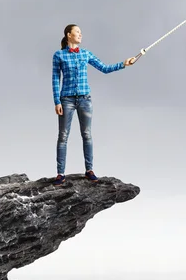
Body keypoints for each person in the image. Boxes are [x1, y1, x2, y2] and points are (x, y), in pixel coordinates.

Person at [52, 24, 135, 186]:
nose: (80, 35)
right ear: (69, 35)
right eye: (77, 32)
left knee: (87, 134)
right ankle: (60, 173)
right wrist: (57, 101)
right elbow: (56, 79)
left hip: (85, 99)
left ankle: (89, 170)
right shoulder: (59, 55)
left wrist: (123, 64)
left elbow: (104, 68)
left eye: (81, 32)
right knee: (63, 136)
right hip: (66, 100)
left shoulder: (86, 54)